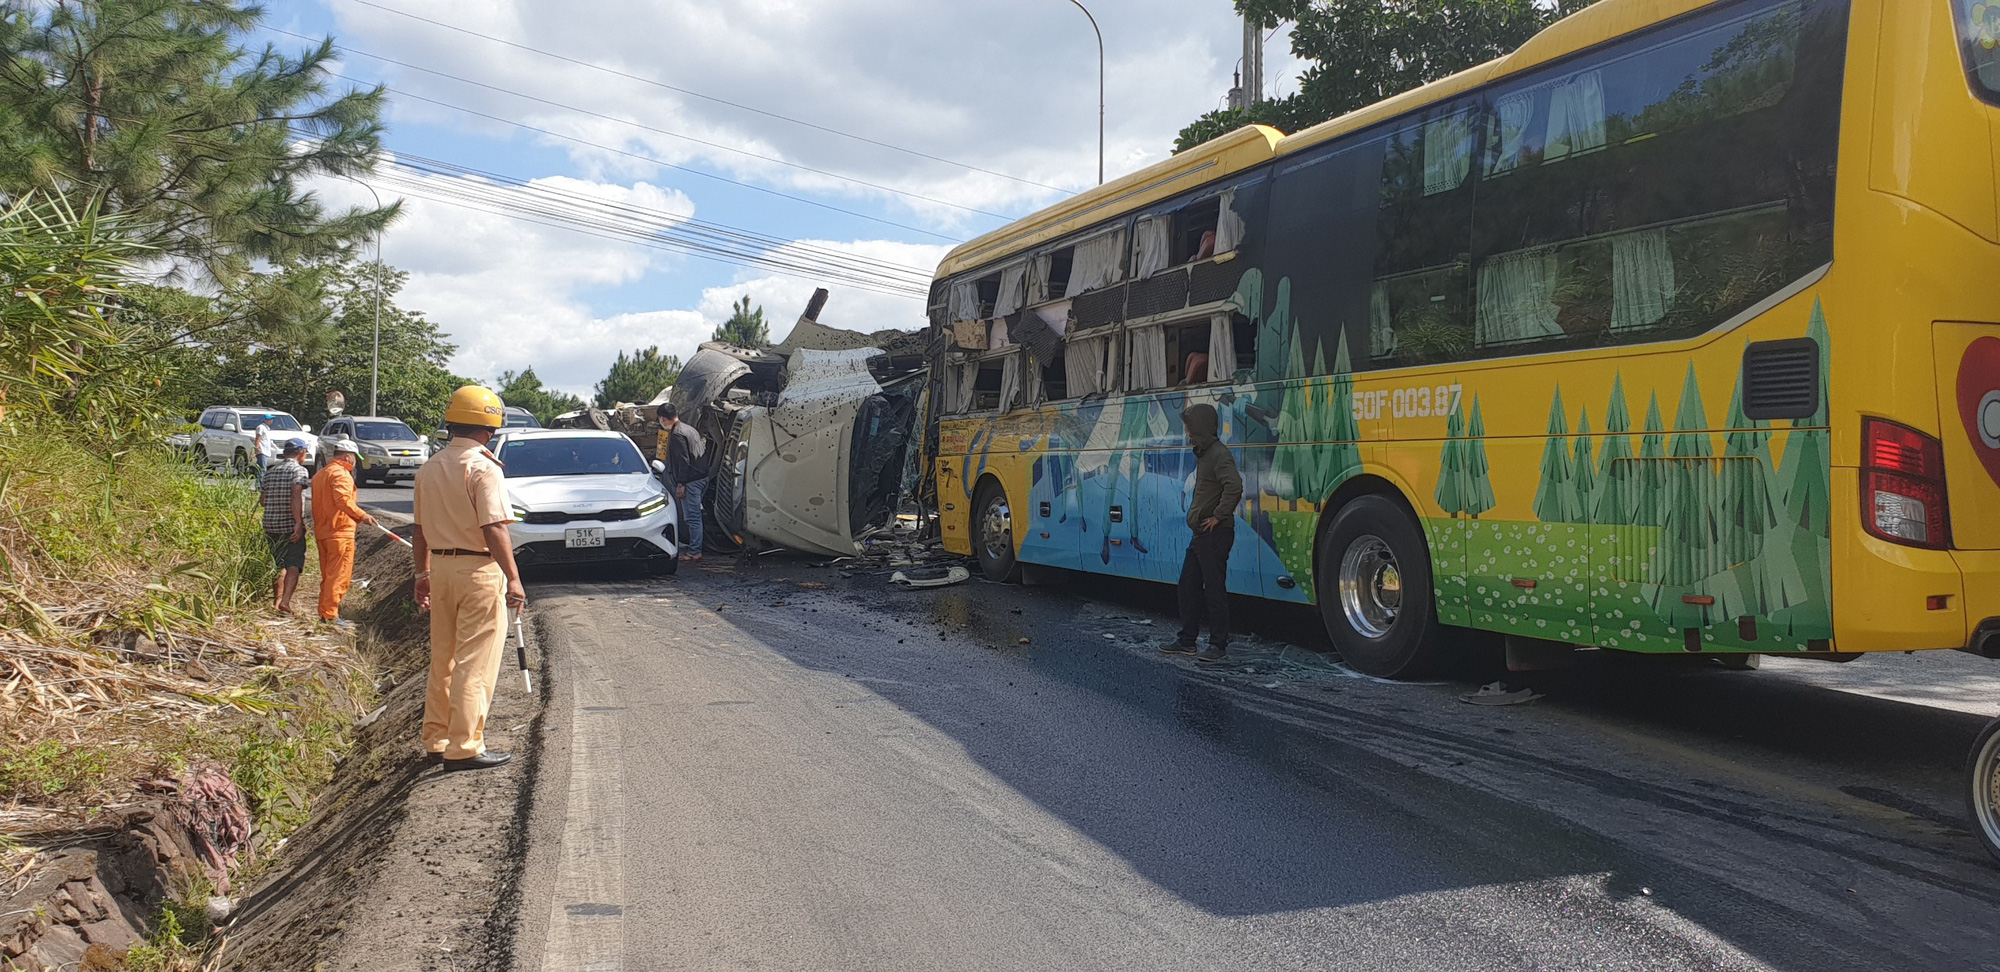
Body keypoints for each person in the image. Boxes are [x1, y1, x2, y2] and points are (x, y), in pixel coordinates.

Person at [411, 385, 526, 771]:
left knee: (443, 658)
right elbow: (494, 528)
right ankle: (464, 746)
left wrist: (421, 572)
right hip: (477, 571)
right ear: (489, 429)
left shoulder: (429, 468)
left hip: (441, 569)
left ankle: (437, 738)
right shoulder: (483, 468)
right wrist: (513, 578)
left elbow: (420, 529)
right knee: (476, 661)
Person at [1160, 403, 1242, 664]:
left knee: (1214, 589)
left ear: (1201, 429)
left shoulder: (1219, 455)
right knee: (1188, 585)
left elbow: (1235, 486)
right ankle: (1187, 640)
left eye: (1189, 428)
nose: (1187, 433)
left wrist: (1218, 516)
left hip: (1215, 535)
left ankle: (1218, 645)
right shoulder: (1206, 454)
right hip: (1201, 535)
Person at [311, 436, 377, 628]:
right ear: (348, 457)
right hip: (340, 531)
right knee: (339, 575)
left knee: (328, 575)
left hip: (323, 531)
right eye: (354, 458)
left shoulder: (320, 474)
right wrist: (362, 515)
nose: (354, 462)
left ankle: (325, 612)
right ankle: (330, 615)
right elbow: (342, 501)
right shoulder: (341, 474)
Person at [258, 439, 312, 615]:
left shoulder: (271, 472)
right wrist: (298, 522)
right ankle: (286, 602)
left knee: (278, 563)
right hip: (289, 524)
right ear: (301, 453)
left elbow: (263, 501)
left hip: (271, 525)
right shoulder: (299, 471)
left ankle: (276, 601)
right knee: (293, 563)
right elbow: (296, 494)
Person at [656, 403, 710, 562]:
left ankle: (695, 551)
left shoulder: (677, 434)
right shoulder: (689, 429)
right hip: (702, 477)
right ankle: (696, 548)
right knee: (695, 516)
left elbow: (683, 462)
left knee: (692, 518)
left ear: (663, 418)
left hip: (691, 481)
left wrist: (681, 484)